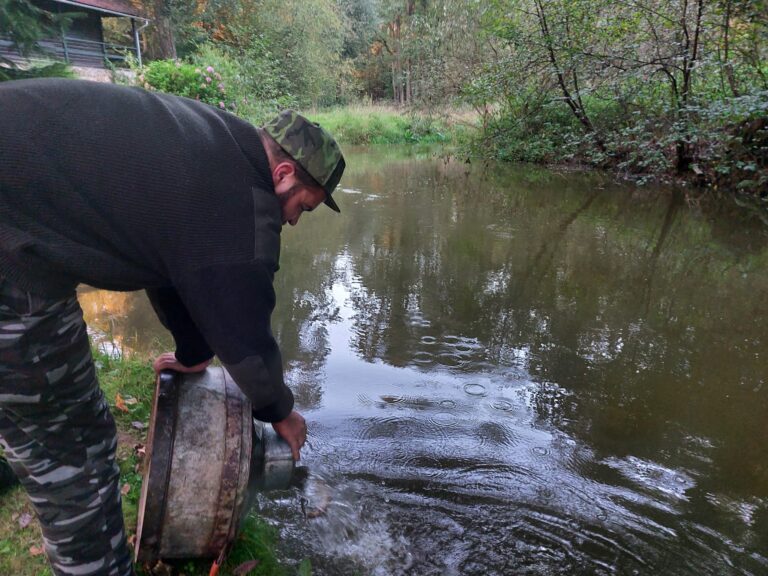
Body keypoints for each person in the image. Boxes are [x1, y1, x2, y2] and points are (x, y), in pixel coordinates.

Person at [0, 78, 345, 576]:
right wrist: (281, 412)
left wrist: (192, 352)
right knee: (75, 453)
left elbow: (165, 258)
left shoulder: (212, 143)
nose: (292, 221)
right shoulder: (239, 206)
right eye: (301, 207)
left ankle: (19, 439)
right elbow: (245, 329)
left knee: (29, 419)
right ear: (285, 174)